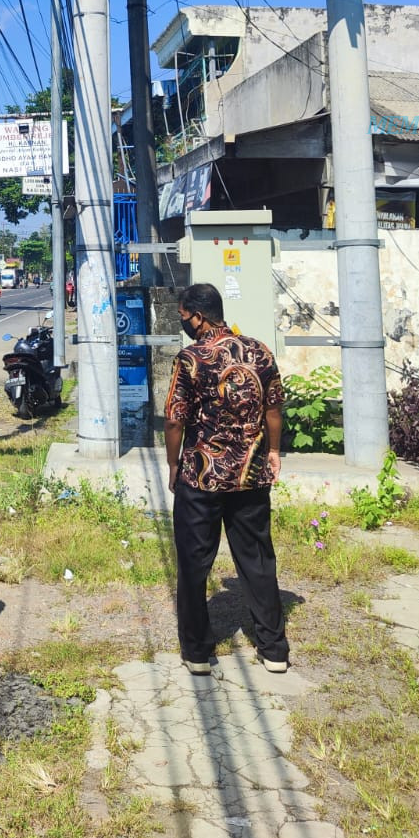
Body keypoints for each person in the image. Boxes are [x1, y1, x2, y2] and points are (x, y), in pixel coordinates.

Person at [164, 282, 289, 677]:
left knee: (193, 563)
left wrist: (173, 464)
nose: (185, 324)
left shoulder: (190, 359)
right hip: (250, 475)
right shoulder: (260, 351)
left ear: (198, 316)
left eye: (184, 317)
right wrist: (272, 450)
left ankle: (198, 653)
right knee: (257, 560)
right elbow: (274, 407)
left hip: (200, 477)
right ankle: (273, 650)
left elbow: (174, 418)